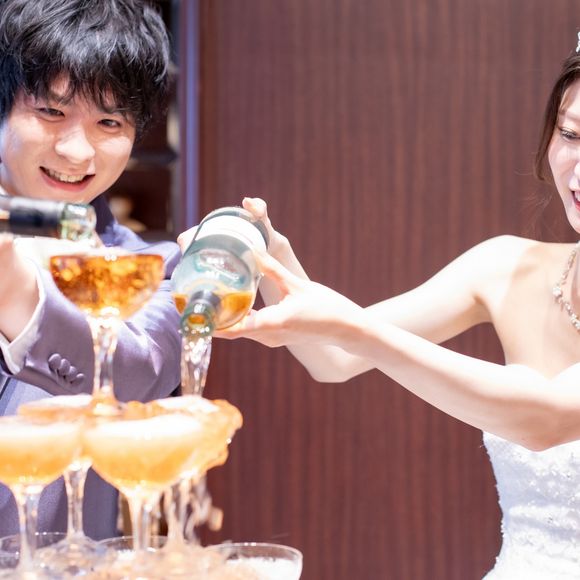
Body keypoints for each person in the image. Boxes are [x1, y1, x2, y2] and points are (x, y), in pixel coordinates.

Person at [178, 39, 580, 578]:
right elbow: (333, 359)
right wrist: (270, 256)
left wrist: (353, 327)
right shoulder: (506, 267)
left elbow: (544, 421)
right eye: (571, 134)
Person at [0, 0, 182, 540]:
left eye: (109, 122)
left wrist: (19, 290)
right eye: (50, 111)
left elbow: (136, 376)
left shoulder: (152, 270)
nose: (77, 151)